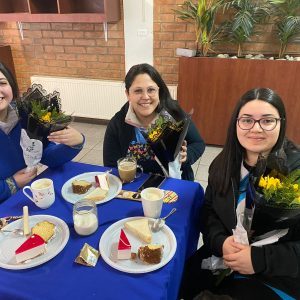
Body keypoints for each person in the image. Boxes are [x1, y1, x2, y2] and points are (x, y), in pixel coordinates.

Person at [179, 88, 300, 299]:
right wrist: (220, 242)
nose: (256, 128)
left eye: (267, 120)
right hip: (224, 258)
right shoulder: (222, 165)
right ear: (236, 123)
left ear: (281, 123)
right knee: (176, 281)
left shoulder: (295, 172)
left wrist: (259, 259)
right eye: (247, 120)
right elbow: (209, 212)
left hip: (276, 274)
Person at [103, 63, 205, 181]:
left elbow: (198, 143)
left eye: (151, 90)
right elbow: (111, 166)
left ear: (158, 91)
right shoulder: (118, 124)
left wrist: (187, 156)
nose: (145, 96)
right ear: (128, 94)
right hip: (134, 186)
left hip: (174, 183)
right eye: (138, 91)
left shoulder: (173, 114)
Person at [0, 62, 85, 202]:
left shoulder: (26, 114)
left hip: (30, 196)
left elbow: (46, 155)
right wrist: (10, 185)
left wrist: (74, 143)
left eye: (2, 83)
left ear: (11, 84)